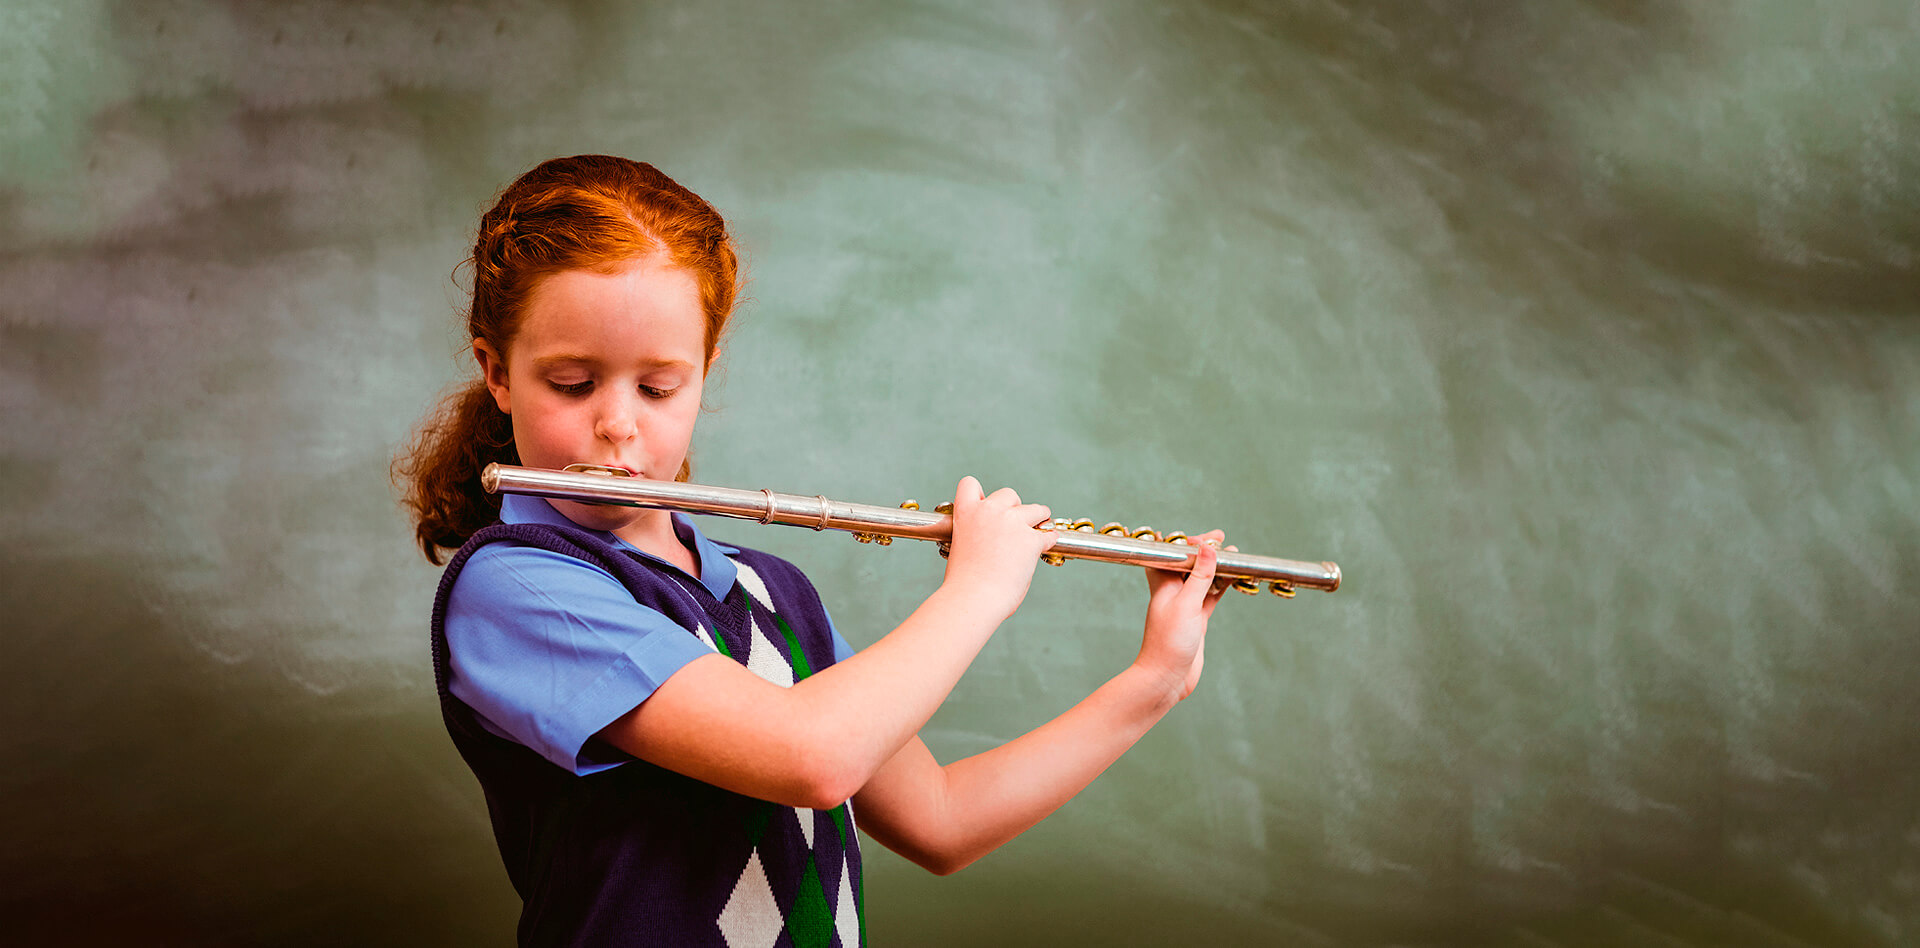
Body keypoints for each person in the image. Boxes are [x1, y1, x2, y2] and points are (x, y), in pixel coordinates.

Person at [398, 154, 1231, 947]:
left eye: (659, 387)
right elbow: (812, 756)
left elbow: (941, 819)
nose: (619, 423)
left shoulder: (773, 590)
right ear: (498, 372)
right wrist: (977, 589)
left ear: (704, 373)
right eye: (572, 383)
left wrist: (1151, 682)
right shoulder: (515, 586)